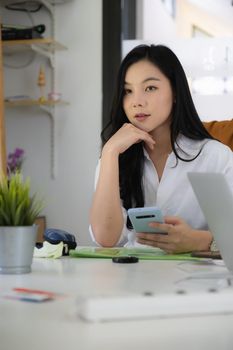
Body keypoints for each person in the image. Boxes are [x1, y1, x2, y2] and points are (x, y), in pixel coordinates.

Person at [89, 44, 233, 253]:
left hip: (195, 280)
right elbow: (105, 239)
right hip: (129, 278)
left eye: (150, 88)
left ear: (175, 91)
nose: (137, 102)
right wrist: (109, 153)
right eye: (128, 91)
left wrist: (199, 241)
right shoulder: (115, 157)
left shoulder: (215, 157)